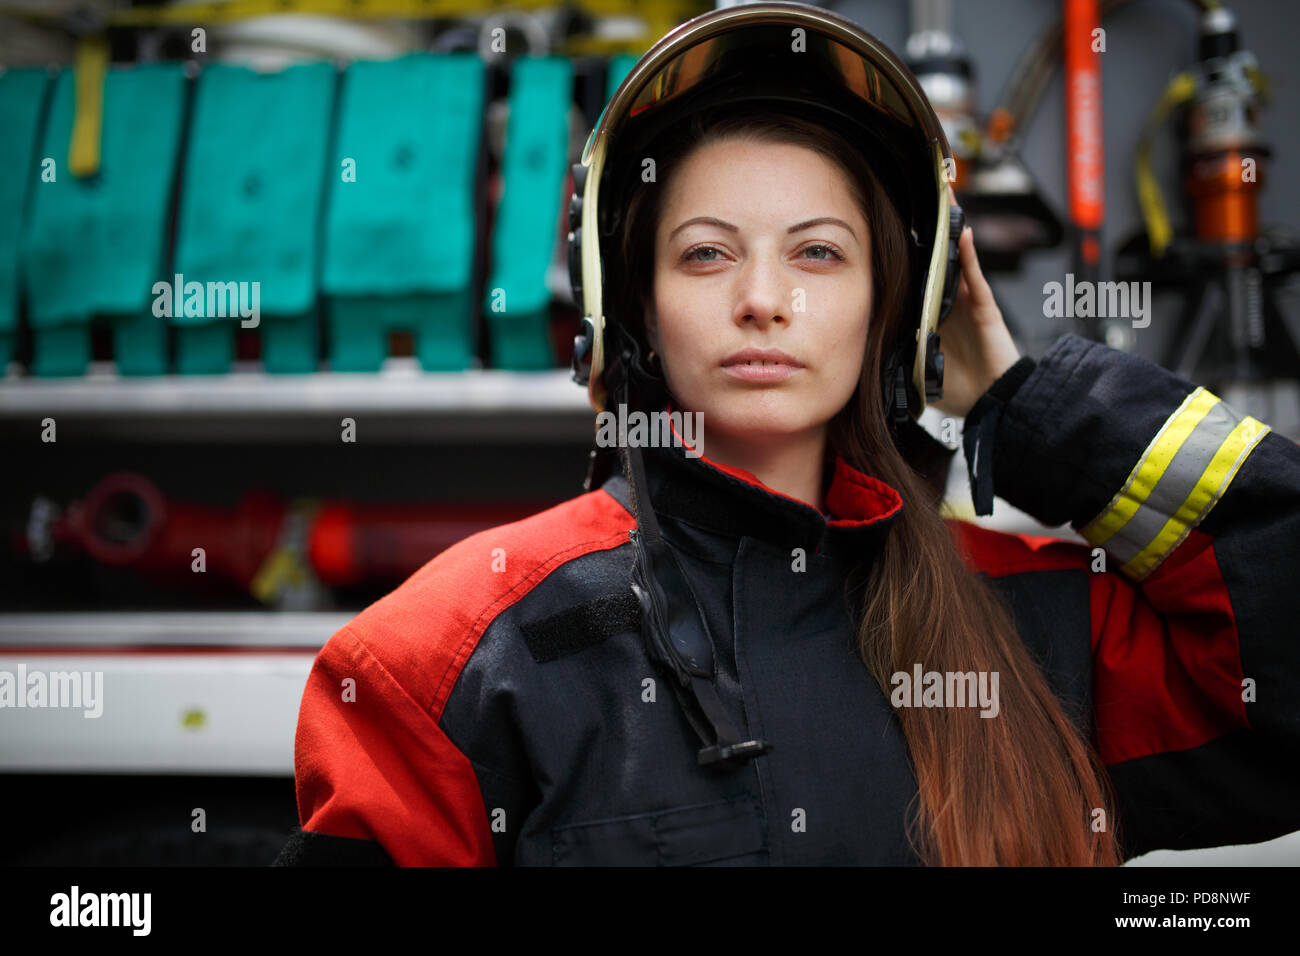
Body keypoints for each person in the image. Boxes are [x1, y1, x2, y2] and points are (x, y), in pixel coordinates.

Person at [275, 3, 1300, 866]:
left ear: (898, 304)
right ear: (631, 306)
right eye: (707, 254)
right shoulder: (451, 663)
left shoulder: (1036, 628)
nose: (763, 300)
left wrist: (1027, 396)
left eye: (817, 252)